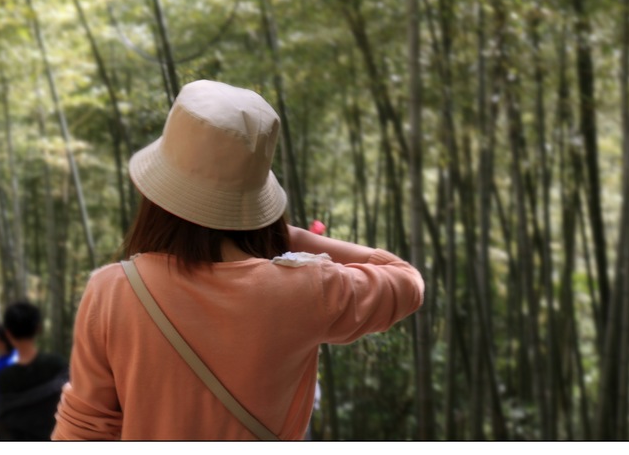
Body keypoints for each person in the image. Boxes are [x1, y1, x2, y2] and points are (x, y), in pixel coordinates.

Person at [52, 79, 424, 440]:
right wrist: (291, 236)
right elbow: (406, 281)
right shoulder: (307, 291)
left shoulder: (112, 292)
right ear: (255, 198)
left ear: (158, 195)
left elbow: (84, 432)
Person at [0, 302, 69, 440]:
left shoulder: (5, 377)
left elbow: (4, 422)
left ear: (8, 333)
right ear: (38, 328)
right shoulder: (57, 364)